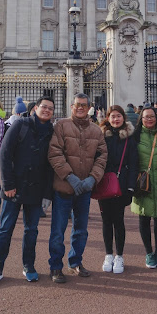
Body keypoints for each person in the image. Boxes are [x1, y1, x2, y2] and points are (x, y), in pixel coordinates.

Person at [0, 96, 55, 286]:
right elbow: (5, 154)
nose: (47, 110)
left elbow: (51, 165)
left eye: (51, 108)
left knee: (31, 230)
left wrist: (48, 194)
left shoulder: (52, 132)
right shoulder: (20, 125)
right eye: (44, 107)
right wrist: (7, 184)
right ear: (35, 108)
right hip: (13, 187)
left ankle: (29, 266)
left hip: (36, 188)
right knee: (5, 229)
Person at [47, 93, 107, 283]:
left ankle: (75, 262)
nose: (80, 107)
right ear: (71, 107)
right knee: (58, 230)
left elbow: (102, 157)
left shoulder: (97, 131)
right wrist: (69, 177)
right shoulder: (61, 126)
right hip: (64, 187)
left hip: (85, 189)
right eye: (77, 105)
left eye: (84, 105)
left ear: (89, 107)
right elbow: (54, 153)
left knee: (81, 230)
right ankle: (56, 266)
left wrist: (93, 179)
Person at [98, 105, 138, 274]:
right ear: (108, 118)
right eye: (112, 116)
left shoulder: (129, 138)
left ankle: (119, 255)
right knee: (106, 220)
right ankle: (108, 254)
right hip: (104, 183)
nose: (115, 119)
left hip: (121, 184)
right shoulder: (101, 137)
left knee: (118, 221)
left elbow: (134, 164)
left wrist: (130, 187)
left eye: (118, 116)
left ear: (123, 118)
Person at [131, 104, 157, 269]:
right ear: (141, 119)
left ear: (156, 118)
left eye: (152, 116)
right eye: (146, 117)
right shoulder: (135, 135)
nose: (149, 119)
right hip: (142, 182)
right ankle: (148, 252)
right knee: (143, 218)